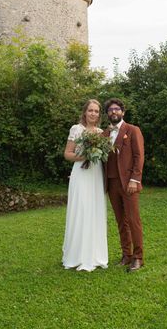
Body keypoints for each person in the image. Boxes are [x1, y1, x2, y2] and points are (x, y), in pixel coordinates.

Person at [62, 99, 108, 271]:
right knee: (81, 210)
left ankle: (95, 255)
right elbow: (67, 153)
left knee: (94, 211)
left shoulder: (101, 132)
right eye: (90, 110)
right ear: (85, 112)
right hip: (81, 173)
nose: (93, 114)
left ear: (99, 114)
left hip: (96, 175)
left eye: (96, 111)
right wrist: (84, 156)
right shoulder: (76, 129)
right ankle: (76, 255)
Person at [103, 98, 145, 272]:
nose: (113, 112)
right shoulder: (104, 135)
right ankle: (126, 255)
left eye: (116, 109)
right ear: (107, 114)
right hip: (111, 183)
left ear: (122, 112)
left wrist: (135, 179)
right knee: (121, 221)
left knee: (133, 220)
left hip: (128, 183)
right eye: (110, 110)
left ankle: (138, 257)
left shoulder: (132, 130)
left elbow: (138, 156)